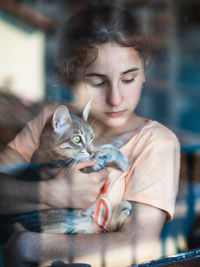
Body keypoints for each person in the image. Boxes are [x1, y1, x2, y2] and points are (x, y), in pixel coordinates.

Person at [0, 4, 180, 267]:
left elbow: (137, 246)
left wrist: (32, 246)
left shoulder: (156, 143)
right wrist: (54, 193)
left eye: (128, 79)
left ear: (145, 69)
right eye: (97, 83)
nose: (116, 99)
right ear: (70, 78)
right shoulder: (52, 122)